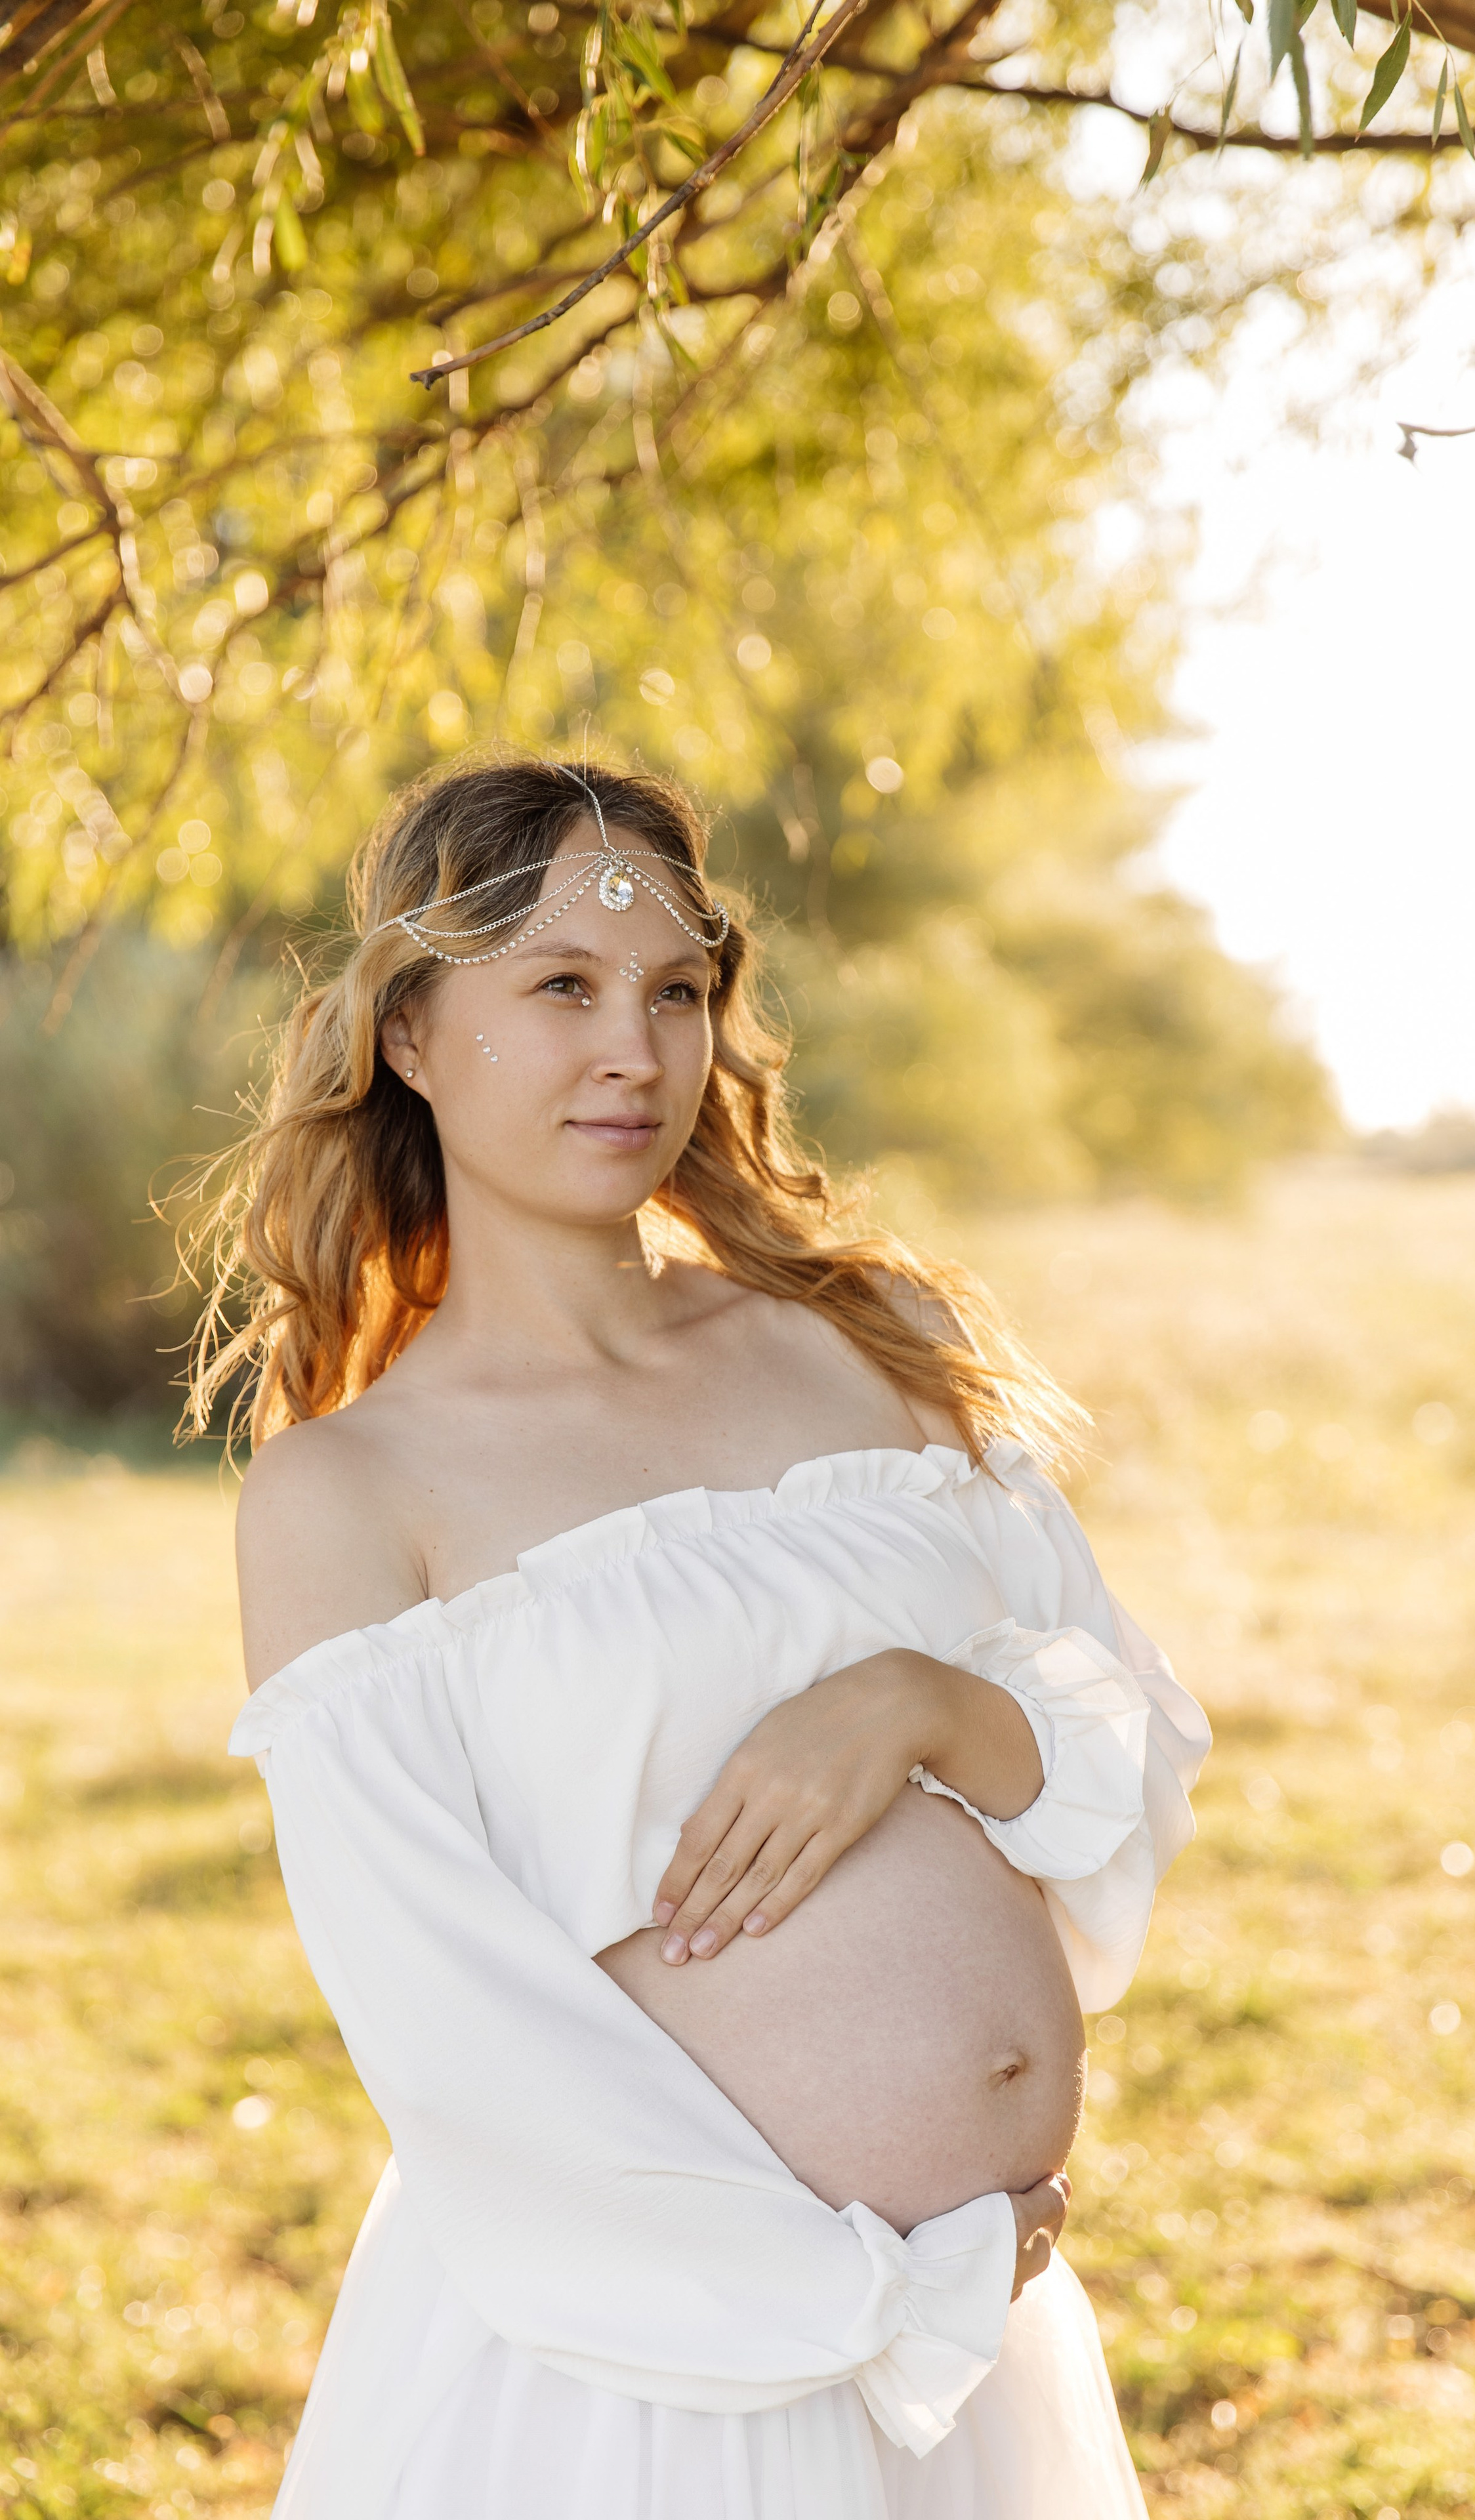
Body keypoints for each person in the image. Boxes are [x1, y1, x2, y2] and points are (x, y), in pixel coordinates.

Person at [195, 755, 1209, 2520]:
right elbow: (450, 2019)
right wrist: (844, 2295)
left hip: (968, 2356)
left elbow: (1128, 1737)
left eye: (676, 992)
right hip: (641, 2378)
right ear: (414, 1034)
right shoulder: (350, 1493)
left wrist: (922, 1706)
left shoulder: (864, 1335)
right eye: (564, 990)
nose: (635, 1055)